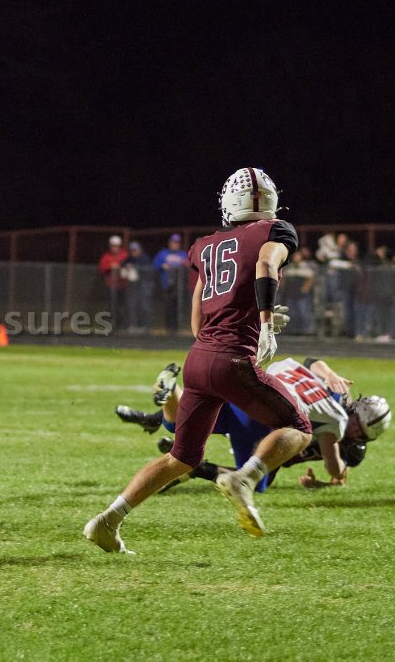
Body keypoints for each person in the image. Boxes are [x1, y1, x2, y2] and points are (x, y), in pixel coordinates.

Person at [84, 167, 310, 554]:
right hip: (233, 360)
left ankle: (108, 520)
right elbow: (265, 265)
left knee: (182, 457)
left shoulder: (205, 246)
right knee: (299, 426)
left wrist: (252, 321)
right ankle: (244, 478)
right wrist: (265, 322)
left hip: (199, 359)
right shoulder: (275, 230)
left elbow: (198, 322)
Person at [116, 356, 390, 491]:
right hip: (266, 420)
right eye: (356, 421)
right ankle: (197, 468)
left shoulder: (334, 407)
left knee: (180, 424)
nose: (354, 427)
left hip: (253, 392)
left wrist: (323, 483)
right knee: (254, 482)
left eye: (359, 427)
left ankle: (172, 391)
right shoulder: (336, 414)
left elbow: (304, 363)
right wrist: (329, 373)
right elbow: (334, 466)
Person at [152, 233, 189, 334]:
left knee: (179, 307)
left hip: (179, 286)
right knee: (168, 307)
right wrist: (162, 265)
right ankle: (168, 327)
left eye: (177, 242)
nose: (175, 244)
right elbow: (155, 264)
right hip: (166, 285)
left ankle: (177, 327)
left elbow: (188, 265)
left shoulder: (183, 254)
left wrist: (184, 266)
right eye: (173, 242)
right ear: (169, 243)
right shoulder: (163, 253)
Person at [122, 241, 154, 333]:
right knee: (132, 305)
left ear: (139, 250)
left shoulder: (145, 258)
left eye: (135, 250)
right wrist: (126, 266)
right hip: (133, 287)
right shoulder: (129, 259)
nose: (134, 252)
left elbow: (149, 271)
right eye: (132, 250)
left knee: (144, 306)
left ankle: (145, 326)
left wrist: (136, 267)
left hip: (144, 286)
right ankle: (133, 325)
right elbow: (122, 264)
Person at [98, 235, 128, 329]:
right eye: (113, 246)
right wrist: (111, 266)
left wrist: (121, 266)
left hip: (123, 285)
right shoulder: (107, 256)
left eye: (116, 246)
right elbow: (102, 267)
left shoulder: (124, 255)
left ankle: (122, 325)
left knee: (123, 306)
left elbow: (129, 264)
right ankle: (112, 325)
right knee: (112, 305)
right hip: (111, 285)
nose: (115, 248)